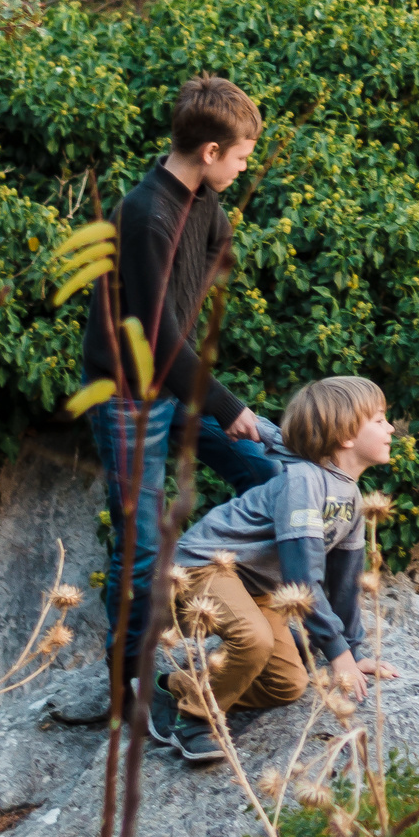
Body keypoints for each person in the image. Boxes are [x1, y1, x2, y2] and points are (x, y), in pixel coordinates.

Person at [83, 74, 286, 709]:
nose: (245, 165)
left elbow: (187, 310)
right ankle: (130, 690)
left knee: (271, 474)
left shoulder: (204, 204)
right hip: (127, 397)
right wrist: (230, 408)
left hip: (175, 384)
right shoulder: (147, 216)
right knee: (142, 547)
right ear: (209, 152)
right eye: (243, 155)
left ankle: (250, 616)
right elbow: (159, 341)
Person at [151, 375, 401, 764]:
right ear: (347, 435)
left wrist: (353, 650)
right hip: (203, 566)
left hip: (257, 585)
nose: (391, 428)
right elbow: (302, 579)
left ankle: (173, 688)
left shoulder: (349, 497)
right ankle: (195, 721)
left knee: (287, 684)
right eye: (381, 419)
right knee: (254, 639)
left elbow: (345, 583)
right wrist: (336, 653)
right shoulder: (304, 482)